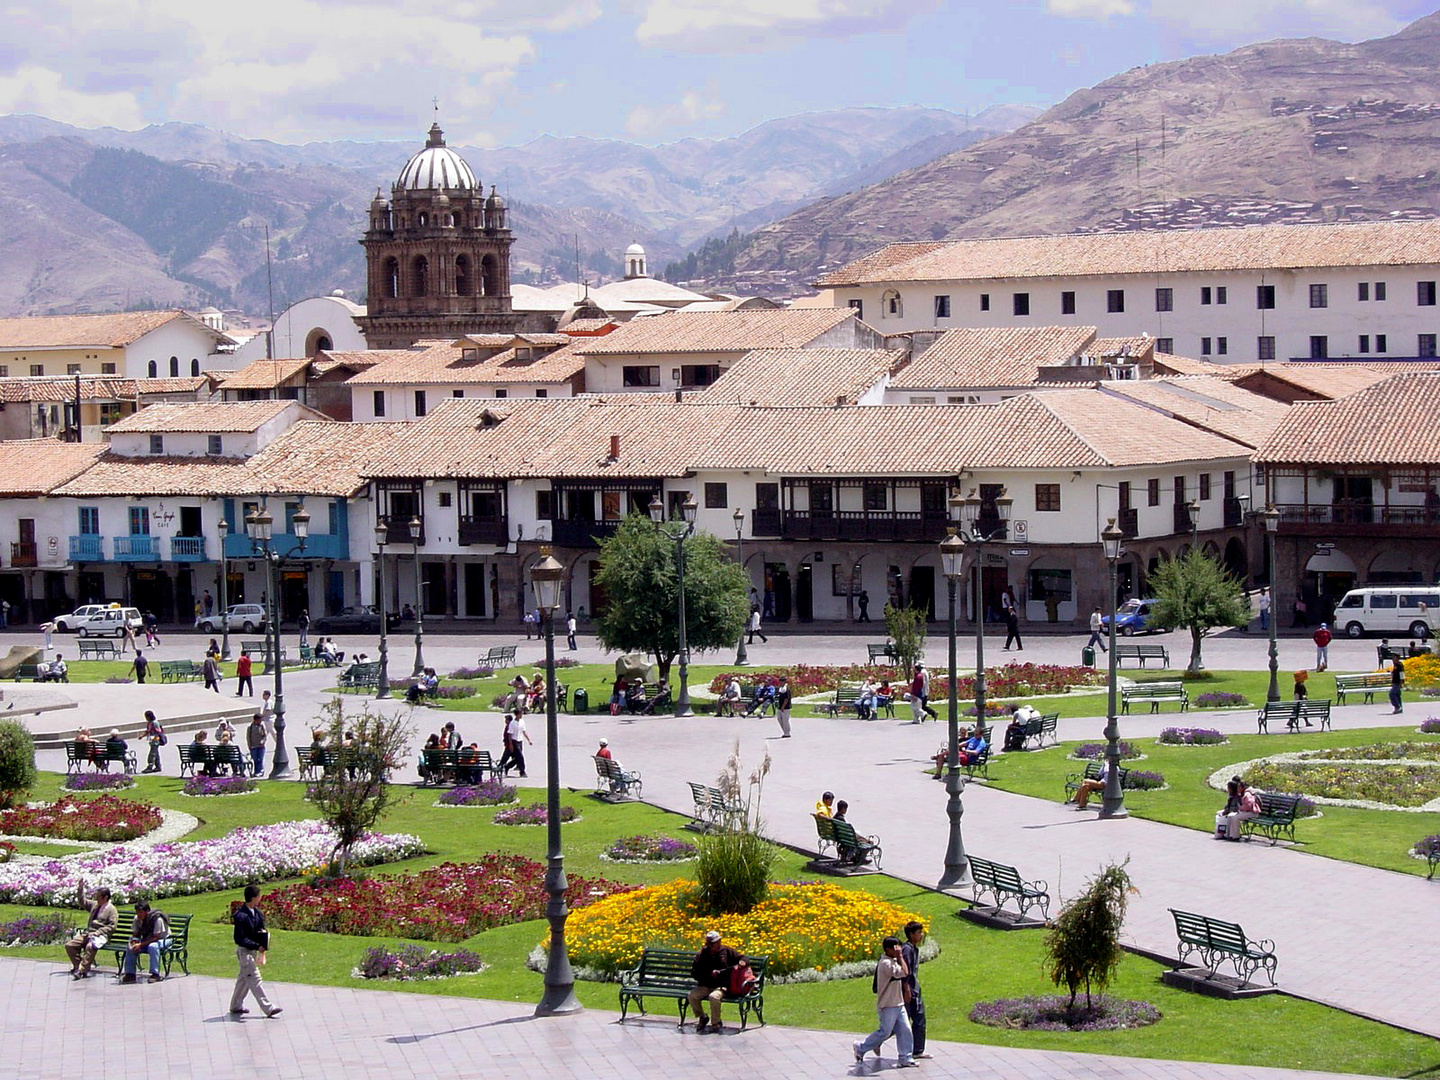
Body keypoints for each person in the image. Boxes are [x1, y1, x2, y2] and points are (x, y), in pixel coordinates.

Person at [853, 936, 916, 1067]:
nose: (898, 950)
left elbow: (904, 973)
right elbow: (904, 972)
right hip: (888, 1005)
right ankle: (861, 1047)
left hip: (898, 1003)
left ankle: (905, 1058)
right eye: (895, 948)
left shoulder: (893, 960)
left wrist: (898, 957)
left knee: (905, 1030)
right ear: (888, 949)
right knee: (885, 1032)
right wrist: (900, 957)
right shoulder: (886, 964)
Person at [230, 884, 281, 1017]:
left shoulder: (257, 913)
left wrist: (263, 941)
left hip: (253, 952)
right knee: (254, 978)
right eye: (258, 896)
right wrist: (256, 945)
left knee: (244, 979)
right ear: (253, 898)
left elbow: (260, 929)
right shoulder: (241, 916)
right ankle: (268, 1007)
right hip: (244, 952)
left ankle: (235, 1005)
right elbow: (239, 939)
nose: (260, 899)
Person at [687, 930, 741, 1034]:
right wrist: (708, 974)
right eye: (709, 944)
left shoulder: (727, 951)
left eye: (714, 943)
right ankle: (702, 1017)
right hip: (705, 985)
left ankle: (715, 1023)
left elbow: (742, 958)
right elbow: (694, 972)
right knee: (692, 996)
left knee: (714, 997)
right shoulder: (702, 954)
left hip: (721, 986)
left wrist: (743, 962)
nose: (712, 946)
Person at [65, 886, 117, 979]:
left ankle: (81, 970)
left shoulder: (112, 910)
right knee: (70, 945)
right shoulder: (95, 905)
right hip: (88, 934)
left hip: (100, 936)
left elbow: (112, 927)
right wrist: (80, 889)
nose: (97, 899)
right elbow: (83, 902)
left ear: (105, 898)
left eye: (99, 897)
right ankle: (78, 966)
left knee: (90, 946)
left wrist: (98, 932)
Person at [900, 921, 931, 1060]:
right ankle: (872, 1042)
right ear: (911, 934)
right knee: (902, 1022)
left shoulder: (913, 948)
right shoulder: (907, 950)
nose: (921, 935)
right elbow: (905, 972)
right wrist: (907, 990)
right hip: (909, 991)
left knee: (918, 1019)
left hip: (914, 990)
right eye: (919, 932)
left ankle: (917, 1050)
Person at [120, 901, 170, 984]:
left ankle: (155, 974)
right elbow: (135, 934)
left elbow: (155, 937)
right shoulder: (137, 919)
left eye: (141, 912)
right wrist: (134, 943)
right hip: (147, 939)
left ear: (147, 911)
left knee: (153, 947)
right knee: (130, 947)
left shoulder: (157, 919)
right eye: (137, 912)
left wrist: (141, 944)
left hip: (163, 939)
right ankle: (130, 974)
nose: (139, 914)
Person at [503, 712, 530, 777]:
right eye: (520, 714)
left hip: (520, 741)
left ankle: (507, 766)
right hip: (514, 741)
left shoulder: (522, 722)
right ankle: (522, 772)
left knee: (517, 758)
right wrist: (511, 744)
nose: (521, 715)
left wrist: (529, 740)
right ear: (516, 715)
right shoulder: (512, 723)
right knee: (520, 757)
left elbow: (524, 731)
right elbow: (509, 735)